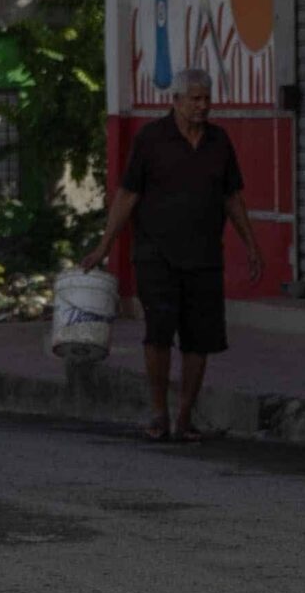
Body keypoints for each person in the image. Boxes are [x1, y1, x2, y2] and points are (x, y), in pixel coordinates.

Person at [79, 69, 265, 442]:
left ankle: (184, 416)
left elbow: (232, 197)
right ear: (176, 101)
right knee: (159, 333)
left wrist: (251, 245)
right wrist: (104, 246)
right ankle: (158, 413)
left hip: (205, 256)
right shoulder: (151, 139)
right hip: (156, 255)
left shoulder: (218, 141)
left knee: (200, 339)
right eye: (195, 99)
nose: (202, 106)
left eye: (207, 99)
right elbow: (127, 195)